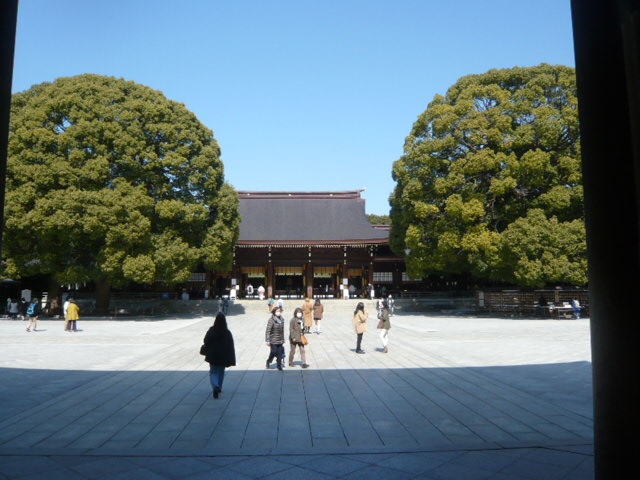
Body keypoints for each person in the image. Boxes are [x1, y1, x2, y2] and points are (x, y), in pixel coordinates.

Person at [202, 312, 236, 399]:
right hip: (223, 356)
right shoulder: (227, 332)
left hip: (213, 355)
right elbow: (231, 346)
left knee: (213, 372)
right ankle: (219, 387)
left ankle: (215, 385)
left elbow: (205, 340)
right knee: (221, 372)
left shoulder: (211, 330)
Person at [265, 306, 286, 370]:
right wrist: (267, 340)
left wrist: (283, 339)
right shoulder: (271, 320)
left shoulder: (282, 320)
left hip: (280, 340)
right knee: (273, 352)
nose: (278, 312)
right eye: (277, 311)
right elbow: (268, 330)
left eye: (279, 311)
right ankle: (269, 361)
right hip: (273, 339)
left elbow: (282, 331)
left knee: (279, 353)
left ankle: (279, 365)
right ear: (274, 312)